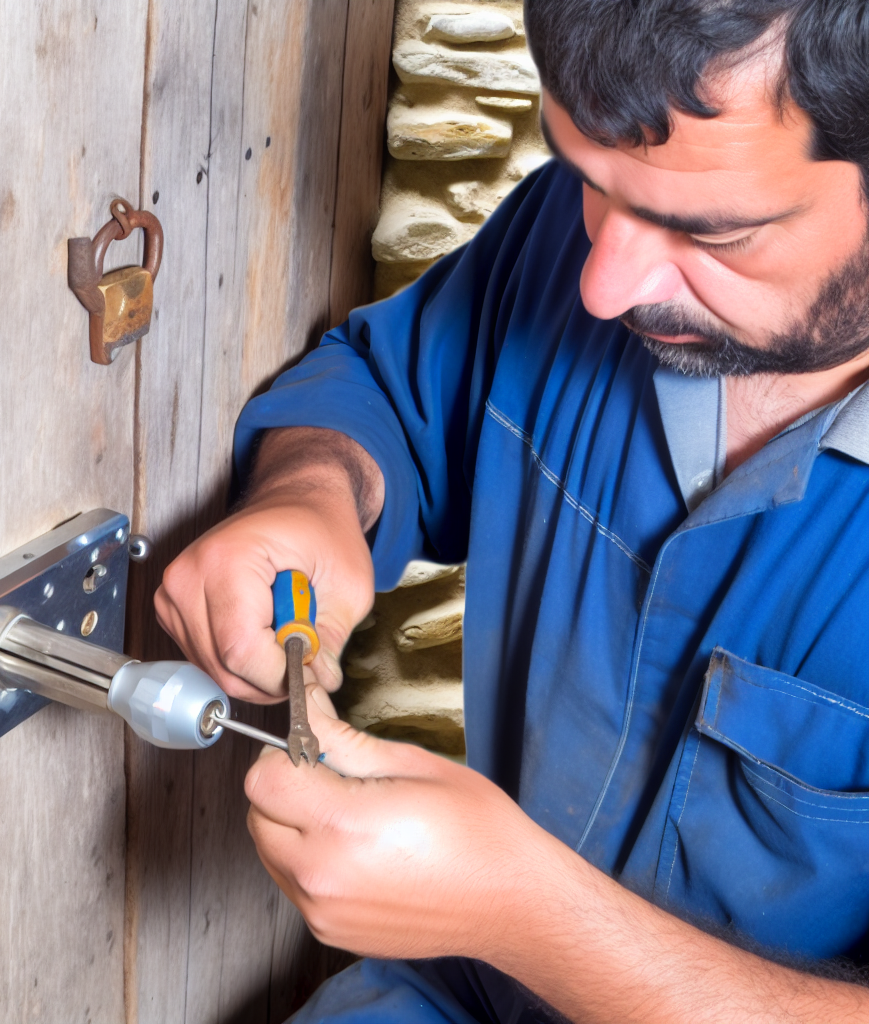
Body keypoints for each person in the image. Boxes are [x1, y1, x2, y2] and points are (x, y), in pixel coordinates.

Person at [155, 1, 869, 1020]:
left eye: (710, 231)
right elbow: (382, 394)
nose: (602, 285)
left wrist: (522, 913)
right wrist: (312, 495)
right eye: (583, 177)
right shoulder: (574, 239)